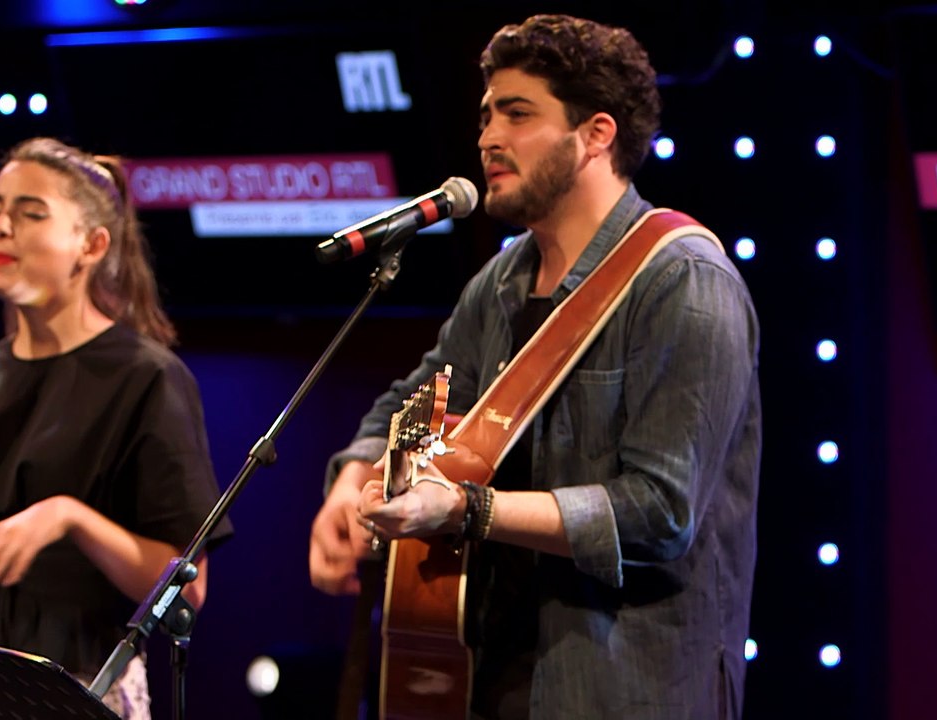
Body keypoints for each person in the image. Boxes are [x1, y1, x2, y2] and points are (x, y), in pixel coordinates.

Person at [308, 14, 760, 719]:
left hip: (623, 693)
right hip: (488, 681)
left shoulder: (684, 281)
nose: (489, 138)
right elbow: (414, 397)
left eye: (518, 114)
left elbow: (660, 512)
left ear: (596, 135)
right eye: (486, 116)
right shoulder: (502, 280)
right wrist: (354, 476)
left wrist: (469, 509)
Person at [0, 137, 233, 720]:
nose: (1, 228)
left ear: (91, 245)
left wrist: (68, 518)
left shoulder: (145, 378)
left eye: (30, 214)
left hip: (78, 686)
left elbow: (187, 587)